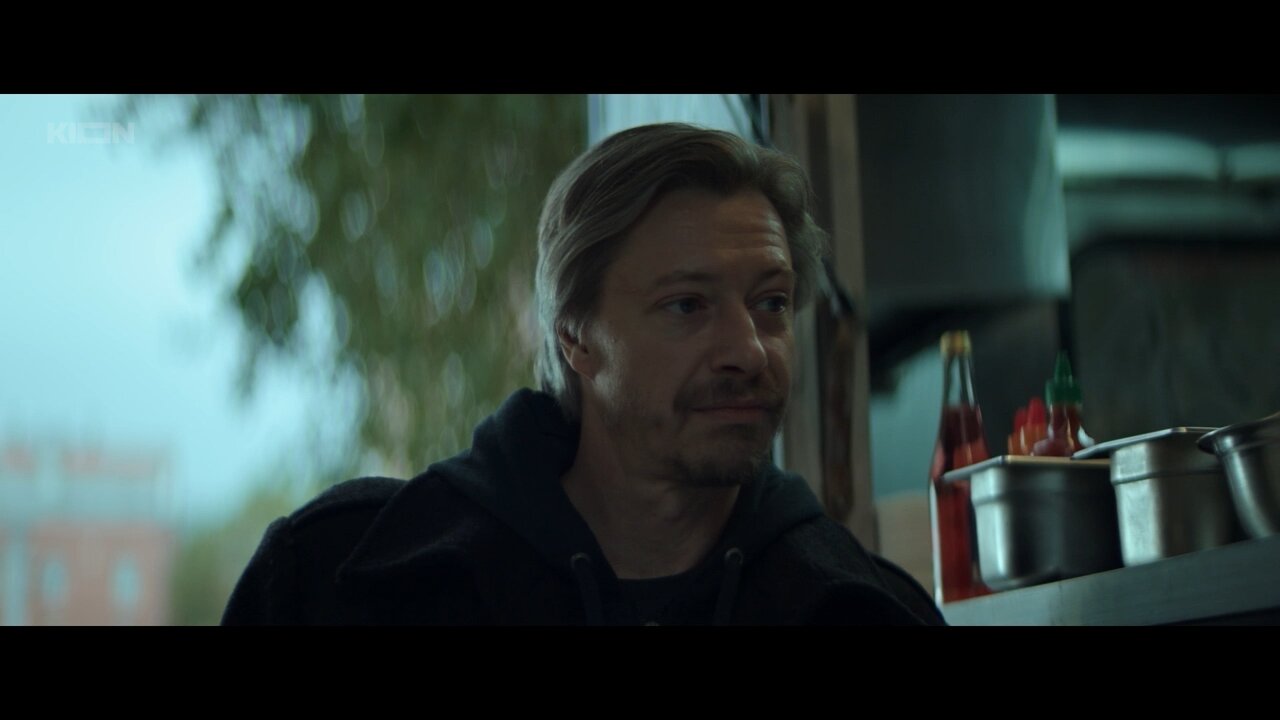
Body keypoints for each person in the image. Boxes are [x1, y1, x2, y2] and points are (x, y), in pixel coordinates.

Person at [222, 122, 945, 626]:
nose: (750, 352)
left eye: (771, 303)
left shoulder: (861, 609)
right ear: (576, 338)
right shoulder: (343, 579)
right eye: (687, 305)